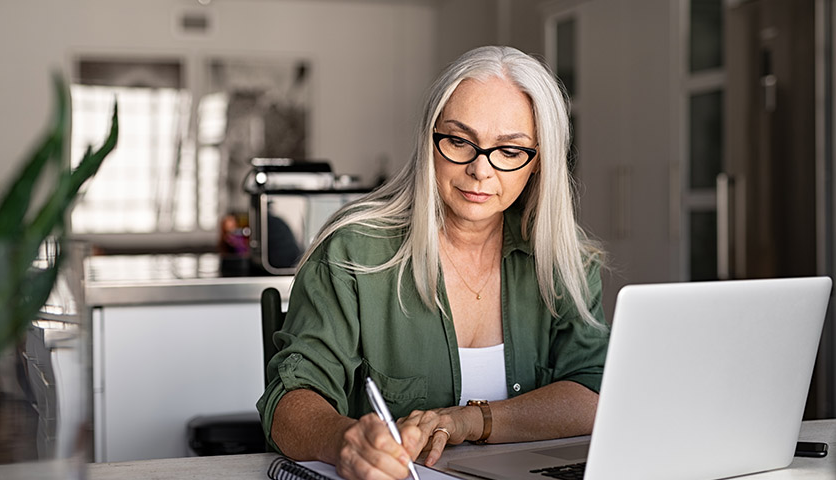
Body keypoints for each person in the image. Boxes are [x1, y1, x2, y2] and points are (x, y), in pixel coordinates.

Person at [256, 45, 609, 480]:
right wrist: (342, 440)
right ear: (430, 140)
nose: (481, 170)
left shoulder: (564, 259)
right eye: (460, 141)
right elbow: (290, 401)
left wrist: (470, 420)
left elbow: (593, 392)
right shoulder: (352, 251)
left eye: (510, 151)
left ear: (538, 162)